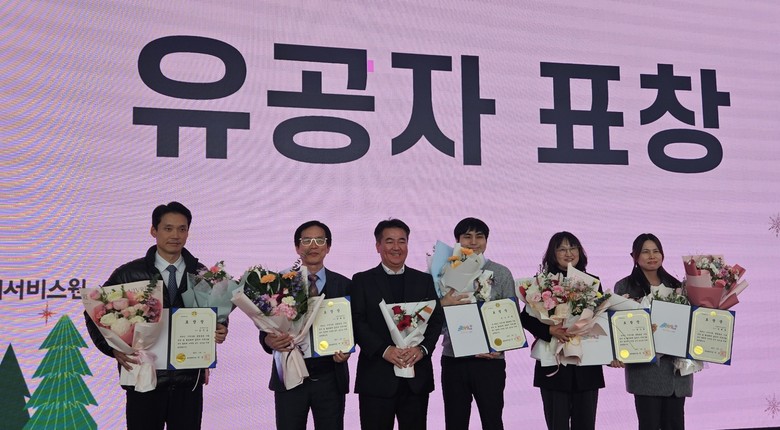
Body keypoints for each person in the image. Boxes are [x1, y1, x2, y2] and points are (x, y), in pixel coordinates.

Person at [84, 201, 228, 430]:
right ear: (154, 231)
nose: (175, 235)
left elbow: (216, 312)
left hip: (188, 381)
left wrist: (221, 327)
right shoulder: (129, 273)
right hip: (144, 378)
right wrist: (112, 349)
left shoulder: (202, 274)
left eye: (182, 229)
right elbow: (94, 312)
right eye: (168, 228)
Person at [351, 218, 445, 430]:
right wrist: (384, 350)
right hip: (376, 377)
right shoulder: (362, 280)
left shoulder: (423, 280)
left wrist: (422, 349)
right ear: (378, 246)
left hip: (416, 377)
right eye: (389, 241)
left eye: (402, 241)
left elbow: (435, 319)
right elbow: (357, 322)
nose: (396, 247)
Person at [259, 220, 352, 430]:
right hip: (289, 376)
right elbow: (265, 329)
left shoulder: (345, 285)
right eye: (307, 240)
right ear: (297, 247)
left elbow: (353, 328)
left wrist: (347, 349)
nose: (313, 246)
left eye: (319, 240)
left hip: (330, 378)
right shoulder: (279, 284)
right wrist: (269, 341)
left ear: (328, 247)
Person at [519, 231, 604, 430]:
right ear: (553, 254)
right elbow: (526, 318)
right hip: (553, 364)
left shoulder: (593, 282)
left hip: (586, 364)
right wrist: (549, 330)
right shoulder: (541, 283)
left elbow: (601, 317)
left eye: (573, 248)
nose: (568, 253)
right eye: (562, 249)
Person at [438, 217, 516, 430]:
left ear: (486, 241)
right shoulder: (443, 272)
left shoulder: (501, 272)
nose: (473, 242)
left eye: (479, 237)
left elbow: (512, 319)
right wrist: (443, 303)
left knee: (492, 422)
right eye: (467, 237)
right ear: (457, 241)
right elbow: (435, 320)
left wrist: (499, 346)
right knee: (455, 423)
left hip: (490, 361)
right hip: (454, 359)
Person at [612, 233, 692, 430]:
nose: (652, 256)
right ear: (634, 256)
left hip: (675, 373)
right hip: (645, 372)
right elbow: (618, 327)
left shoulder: (677, 286)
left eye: (656, 251)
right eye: (645, 252)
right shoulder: (624, 286)